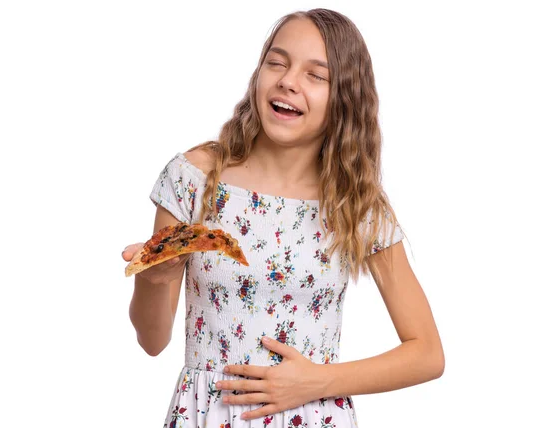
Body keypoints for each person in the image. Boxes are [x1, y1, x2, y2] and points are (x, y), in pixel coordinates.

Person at [122, 8, 444, 427]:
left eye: (316, 75)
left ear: (344, 97)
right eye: (276, 62)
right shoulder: (194, 179)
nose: (288, 81)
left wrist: (318, 381)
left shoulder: (355, 204)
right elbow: (152, 341)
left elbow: (427, 353)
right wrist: (154, 279)